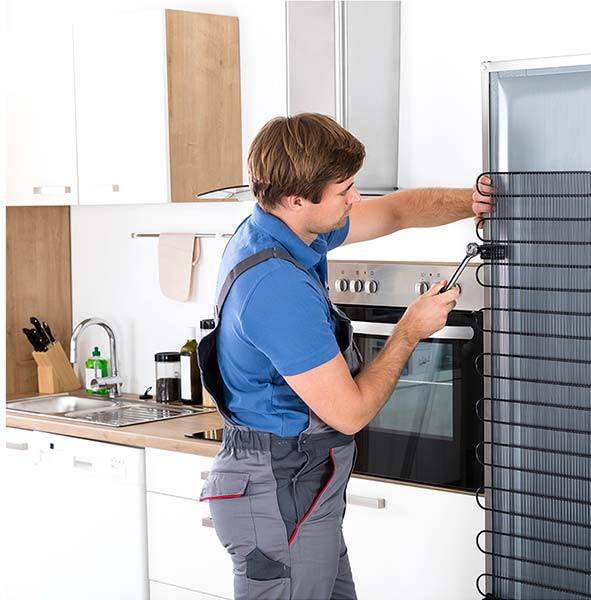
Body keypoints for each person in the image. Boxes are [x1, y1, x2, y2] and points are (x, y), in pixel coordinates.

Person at [198, 112, 494, 600]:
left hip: (302, 483)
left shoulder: (287, 229)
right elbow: (351, 412)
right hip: (278, 490)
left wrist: (475, 201)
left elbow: (396, 211)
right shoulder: (276, 288)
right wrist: (408, 331)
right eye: (345, 191)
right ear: (296, 199)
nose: (356, 198)